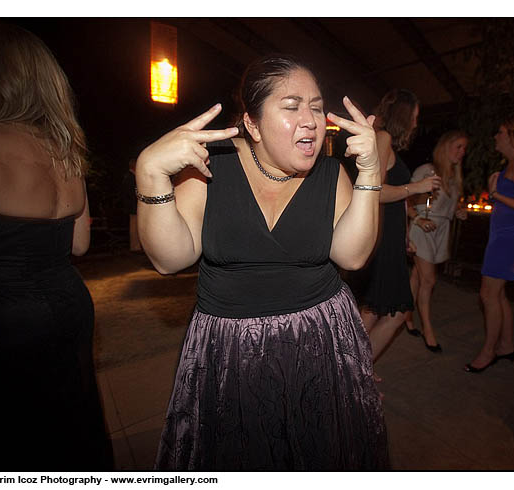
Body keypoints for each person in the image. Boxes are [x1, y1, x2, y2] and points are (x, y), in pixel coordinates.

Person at [136, 54, 388, 470]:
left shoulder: (331, 174)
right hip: (229, 350)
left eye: (315, 105)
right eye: (291, 107)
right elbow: (169, 259)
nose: (310, 119)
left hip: (320, 338)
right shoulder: (209, 166)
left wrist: (369, 171)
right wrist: (150, 173)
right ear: (251, 124)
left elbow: (353, 256)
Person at [0, 20, 113, 470]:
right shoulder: (66, 150)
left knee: (11, 438)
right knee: (71, 424)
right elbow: (79, 245)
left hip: (1, 318)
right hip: (69, 302)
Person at [359, 89, 442, 359]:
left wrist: (405, 231)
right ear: (403, 116)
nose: (416, 124)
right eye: (414, 117)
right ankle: (352, 374)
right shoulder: (382, 138)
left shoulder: (387, 142)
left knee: (379, 310)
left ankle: (352, 372)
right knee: (386, 311)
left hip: (391, 237)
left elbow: (393, 196)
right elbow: (375, 191)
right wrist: (416, 186)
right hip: (381, 239)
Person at [465, 115, 514, 373]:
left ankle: (488, 352)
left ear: (513, 136)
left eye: (500, 132)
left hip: (510, 239)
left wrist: (496, 194)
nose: (496, 137)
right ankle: (506, 346)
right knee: (497, 295)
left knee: (488, 295)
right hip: (504, 236)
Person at [405, 131, 469, 349]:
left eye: (464, 148)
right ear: (446, 146)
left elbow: (448, 205)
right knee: (429, 280)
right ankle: (428, 331)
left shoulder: (454, 176)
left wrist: (459, 210)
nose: (462, 152)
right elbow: (406, 198)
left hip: (441, 230)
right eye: (458, 147)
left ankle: (406, 317)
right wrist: (418, 219)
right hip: (423, 227)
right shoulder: (427, 170)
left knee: (417, 277)